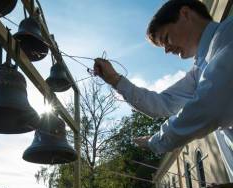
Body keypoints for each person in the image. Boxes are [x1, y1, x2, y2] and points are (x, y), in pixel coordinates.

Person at [94, 0, 233, 154]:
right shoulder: (199, 70)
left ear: (185, 14)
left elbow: (209, 108)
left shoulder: (229, 32)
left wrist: (157, 141)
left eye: (166, 38)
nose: (166, 51)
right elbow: (163, 103)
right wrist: (114, 79)